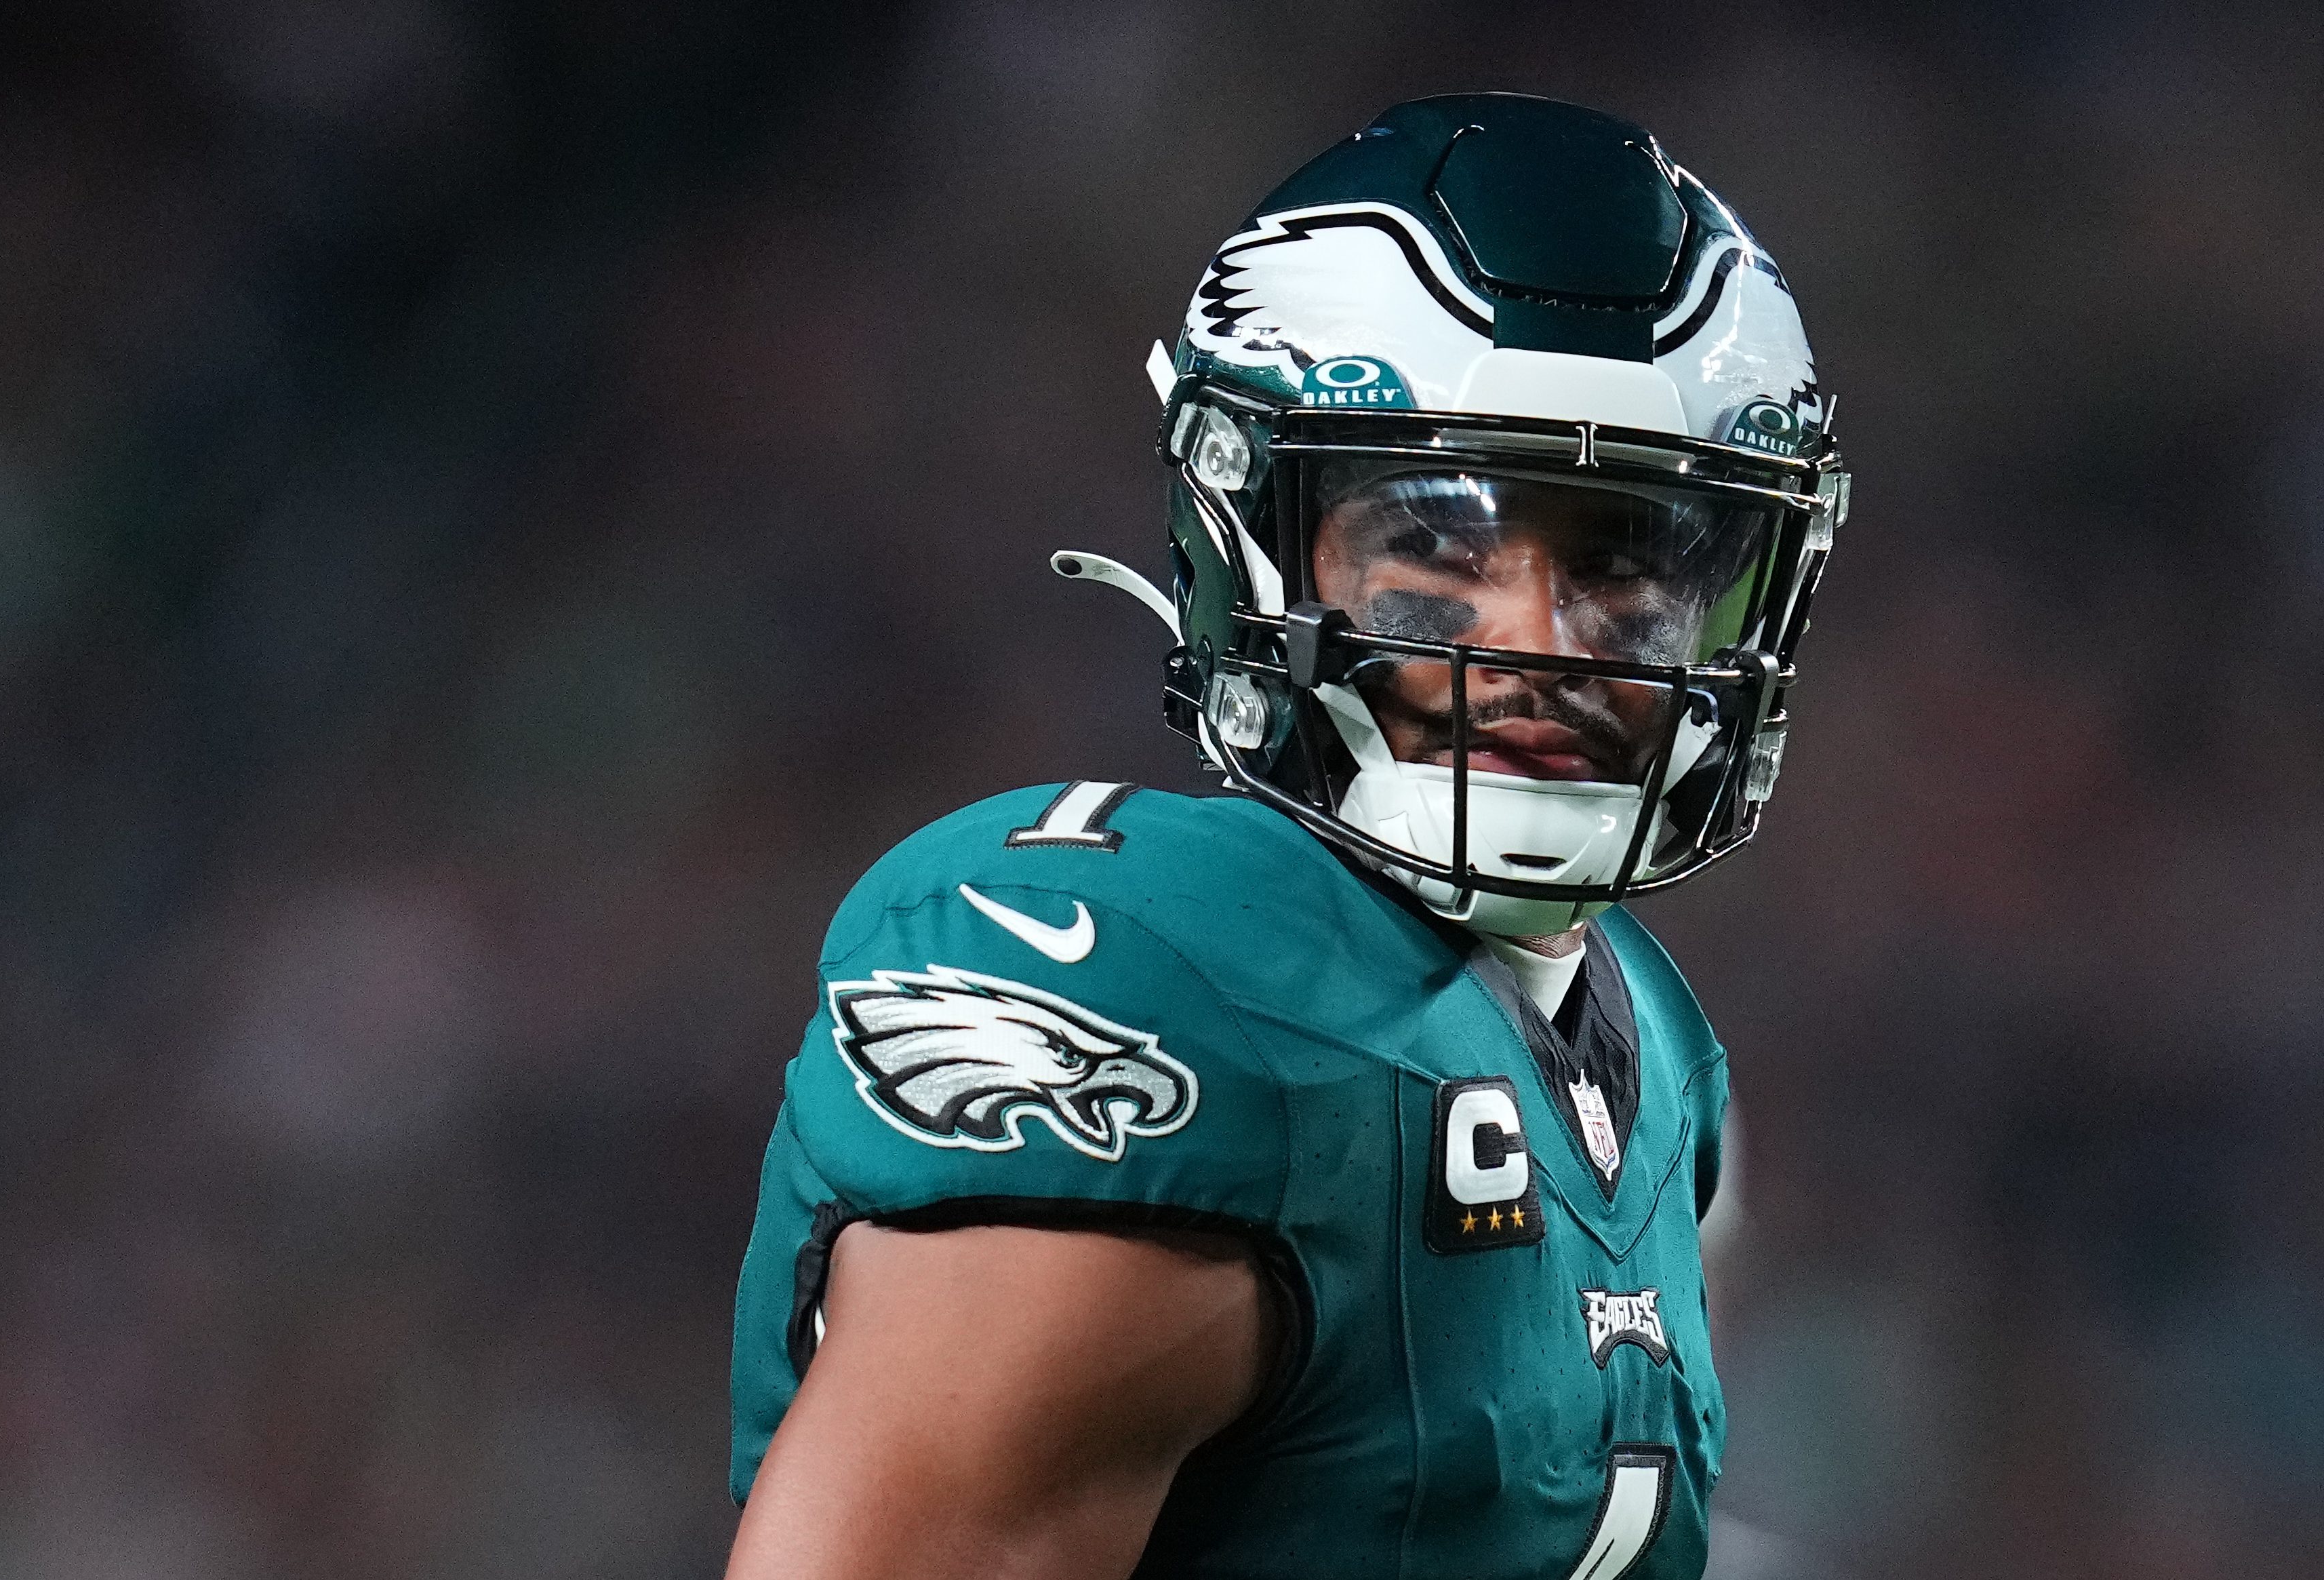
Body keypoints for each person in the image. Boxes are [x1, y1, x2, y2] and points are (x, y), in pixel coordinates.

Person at [724, 92, 1848, 1580]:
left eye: (1629, 554)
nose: (1539, 639)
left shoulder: (1650, 1038)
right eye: (1437, 545)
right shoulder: (1153, 979)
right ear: (1250, 530)